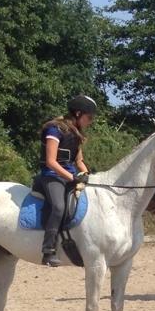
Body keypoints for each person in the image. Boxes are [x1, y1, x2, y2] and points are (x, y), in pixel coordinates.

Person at [37, 94, 96, 266]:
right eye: (89, 117)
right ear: (78, 114)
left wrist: (87, 175)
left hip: (69, 176)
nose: (90, 121)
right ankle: (48, 250)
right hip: (51, 176)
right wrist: (72, 177)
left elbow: (79, 161)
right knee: (58, 207)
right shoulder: (54, 130)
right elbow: (51, 161)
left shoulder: (76, 134)